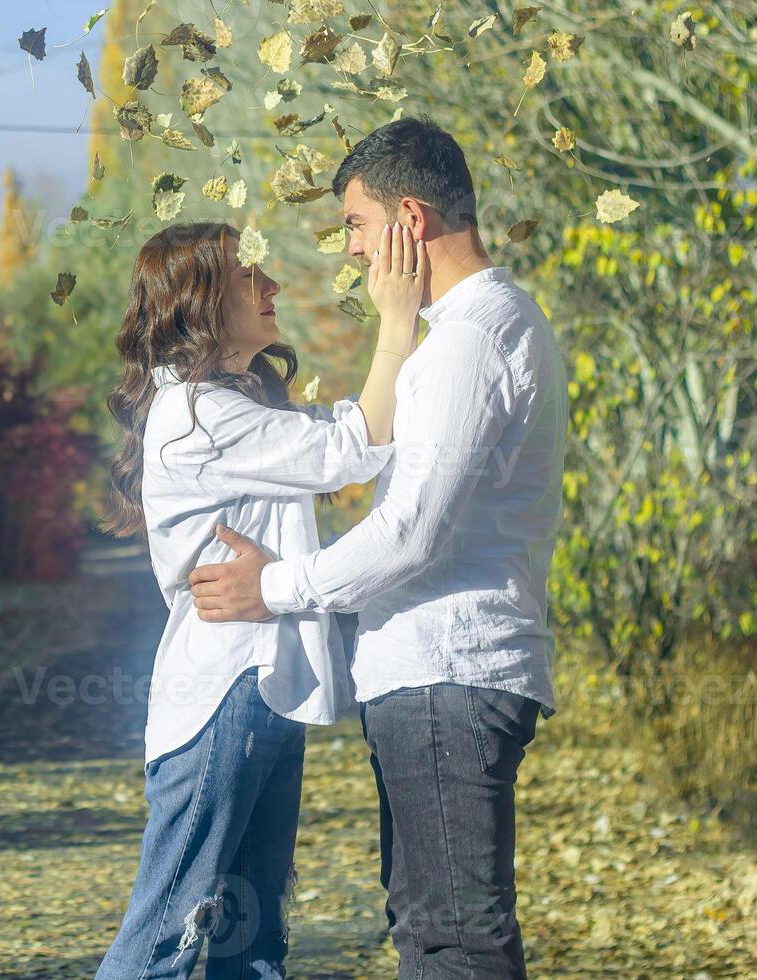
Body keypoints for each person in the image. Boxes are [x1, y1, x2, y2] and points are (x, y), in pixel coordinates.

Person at [188, 115, 569, 980]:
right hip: (444, 676)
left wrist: (274, 588)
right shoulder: (484, 329)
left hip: (448, 672)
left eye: (357, 226)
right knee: (430, 922)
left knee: (451, 939)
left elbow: (412, 533)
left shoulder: (470, 341)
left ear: (411, 218)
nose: (352, 251)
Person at [93, 219, 427, 978]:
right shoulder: (198, 415)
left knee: (253, 944)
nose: (272, 287)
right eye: (253, 277)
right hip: (225, 694)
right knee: (166, 939)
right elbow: (350, 451)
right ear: (204, 299)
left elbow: (346, 431)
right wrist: (397, 324)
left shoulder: (227, 403)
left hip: (259, 688)